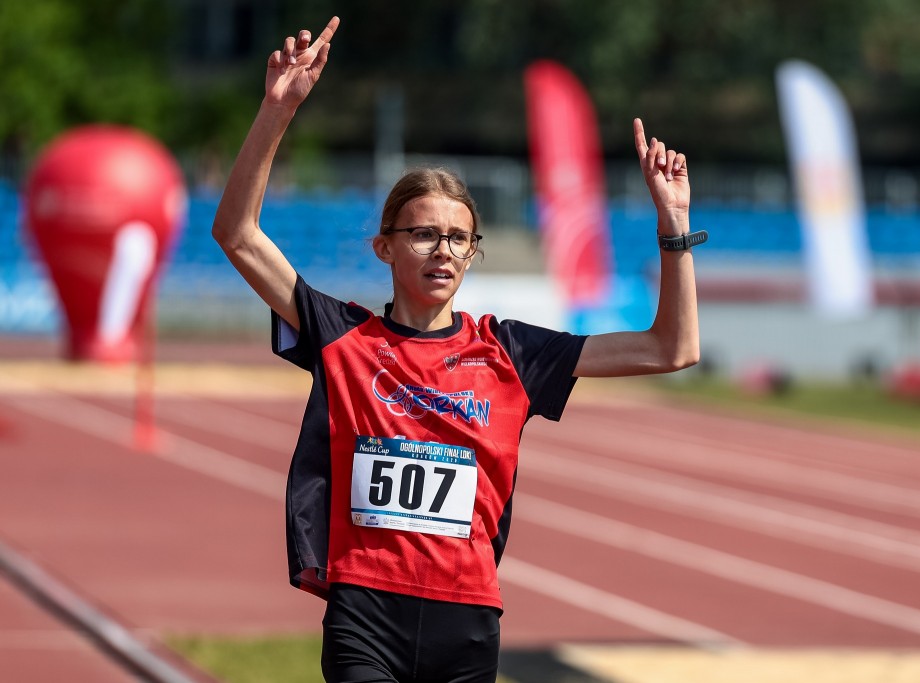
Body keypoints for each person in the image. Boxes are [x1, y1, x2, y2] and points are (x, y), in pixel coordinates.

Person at [212, 15, 701, 683]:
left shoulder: (511, 352)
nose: (443, 249)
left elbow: (671, 348)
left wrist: (674, 229)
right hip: (366, 612)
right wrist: (277, 109)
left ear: (472, 253)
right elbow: (237, 233)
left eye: (458, 238)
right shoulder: (343, 335)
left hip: (467, 622)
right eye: (423, 234)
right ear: (385, 247)